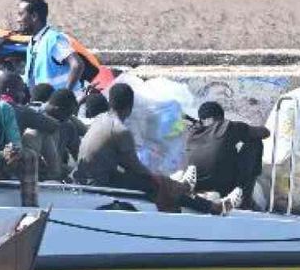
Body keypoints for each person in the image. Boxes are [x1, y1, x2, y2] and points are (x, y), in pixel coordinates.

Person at [74, 83, 230, 214]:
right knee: (157, 184)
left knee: (160, 181)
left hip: (87, 178)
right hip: (100, 183)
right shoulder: (120, 130)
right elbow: (135, 167)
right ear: (130, 105)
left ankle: (184, 188)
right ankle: (210, 206)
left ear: (110, 102)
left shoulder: (101, 120)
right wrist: (160, 179)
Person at [184, 102, 269, 208]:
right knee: (255, 142)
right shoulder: (228, 126)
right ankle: (244, 198)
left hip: (197, 185)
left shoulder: (191, 134)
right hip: (223, 187)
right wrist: (242, 130)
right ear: (221, 116)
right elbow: (265, 132)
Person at [0, 71, 63, 180]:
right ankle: (55, 174)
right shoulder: (20, 110)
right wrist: (43, 109)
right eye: (20, 90)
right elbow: (53, 125)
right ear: (9, 90)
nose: (23, 95)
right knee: (40, 131)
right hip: (10, 162)